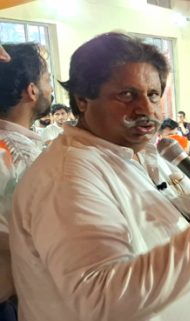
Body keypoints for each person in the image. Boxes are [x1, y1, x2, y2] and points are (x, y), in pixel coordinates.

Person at [9, 33, 190, 321]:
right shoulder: (67, 177)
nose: (146, 108)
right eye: (127, 95)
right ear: (82, 100)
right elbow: (103, 301)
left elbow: (163, 244)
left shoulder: (137, 153)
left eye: (153, 94)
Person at [0, 42, 54, 321]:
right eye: (46, 80)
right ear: (31, 91)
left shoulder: (29, 149)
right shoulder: (11, 153)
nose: (50, 89)